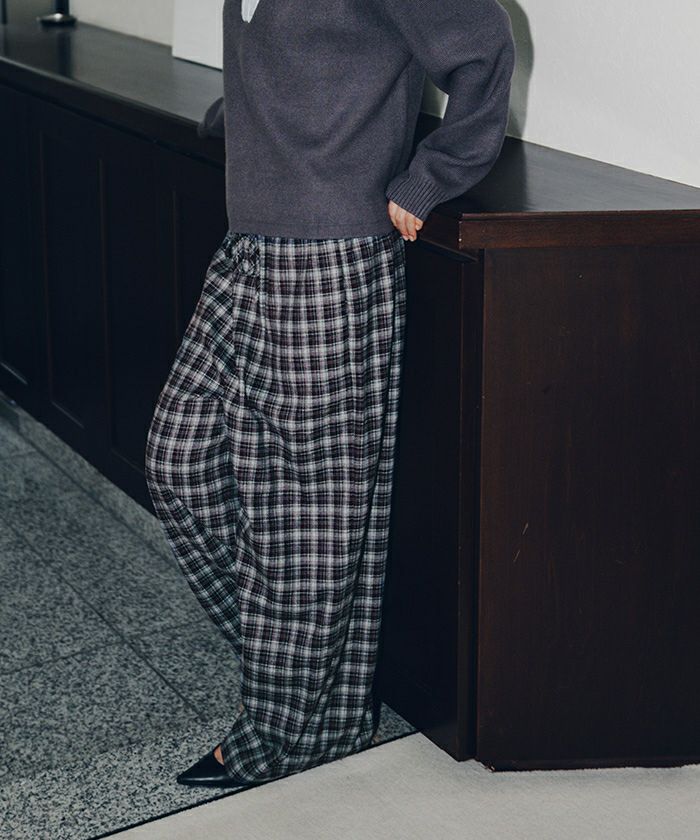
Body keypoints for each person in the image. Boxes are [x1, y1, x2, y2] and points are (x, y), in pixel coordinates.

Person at [144, 0, 515, 788]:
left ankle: (284, 734)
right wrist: (248, 131)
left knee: (308, 520)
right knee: (179, 462)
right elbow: (296, 66)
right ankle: (320, 697)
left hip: (330, 257)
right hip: (250, 244)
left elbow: (482, 45)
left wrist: (433, 174)